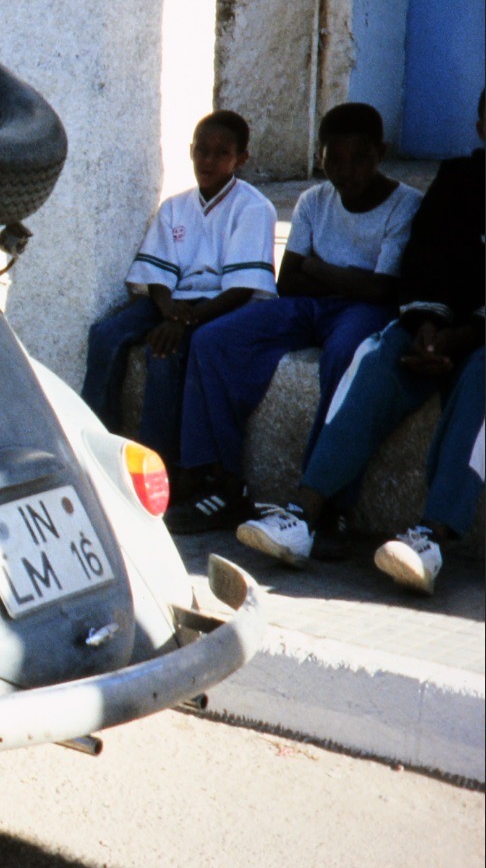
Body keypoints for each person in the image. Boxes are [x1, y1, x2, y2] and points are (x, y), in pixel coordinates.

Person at [236, 92, 484, 591]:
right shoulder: (459, 179)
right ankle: (303, 516)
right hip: (435, 327)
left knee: (481, 383)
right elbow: (426, 261)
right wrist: (427, 326)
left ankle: (430, 538)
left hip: (477, 336)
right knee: (373, 358)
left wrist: (462, 335)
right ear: (480, 125)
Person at [167, 102, 422, 533]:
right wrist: (349, 278)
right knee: (212, 340)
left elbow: (383, 290)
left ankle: (329, 504)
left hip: (364, 312)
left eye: (360, 158)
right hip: (308, 307)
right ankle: (223, 482)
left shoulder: (405, 205)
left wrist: (318, 268)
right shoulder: (313, 200)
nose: (346, 171)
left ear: (380, 154)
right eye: (334, 159)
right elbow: (288, 281)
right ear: (320, 157)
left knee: (345, 357)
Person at [80, 111, 276, 470]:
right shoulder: (175, 206)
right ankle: (94, 443)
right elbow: (158, 272)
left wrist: (184, 321)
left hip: (221, 305)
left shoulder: (253, 208)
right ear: (190, 150)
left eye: (222, 153)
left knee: (163, 353)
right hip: (174, 302)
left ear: (241, 159)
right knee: (106, 334)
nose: (208, 161)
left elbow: (241, 289)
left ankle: (157, 466)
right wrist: (168, 308)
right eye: (202, 150)